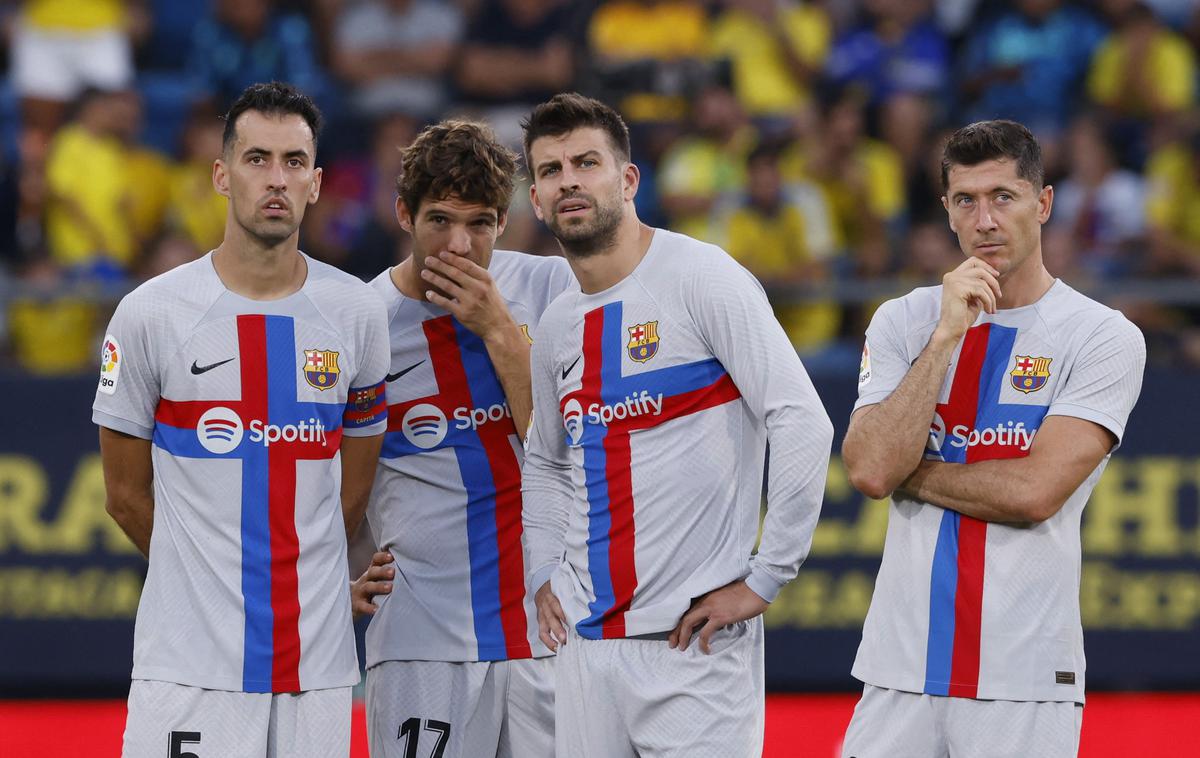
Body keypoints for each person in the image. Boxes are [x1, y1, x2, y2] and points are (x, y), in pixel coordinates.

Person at [518, 92, 834, 756]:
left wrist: (767, 577)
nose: (568, 180)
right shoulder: (556, 328)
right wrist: (542, 566)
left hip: (694, 649)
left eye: (586, 162)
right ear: (538, 201)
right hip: (585, 651)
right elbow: (545, 461)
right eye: (550, 171)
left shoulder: (703, 278)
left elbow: (802, 419)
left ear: (628, 179)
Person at [92, 81, 390, 758]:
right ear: (222, 176)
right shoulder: (151, 314)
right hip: (188, 662)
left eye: (293, 162)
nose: (275, 179)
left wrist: (300, 581)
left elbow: (354, 488)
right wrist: (210, 583)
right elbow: (124, 495)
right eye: (257, 159)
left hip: (316, 667)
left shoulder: (356, 314)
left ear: (316, 183)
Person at [840, 120, 1146, 757]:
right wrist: (947, 337)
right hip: (898, 671)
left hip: (1025, 678)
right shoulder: (905, 320)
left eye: (1003, 196)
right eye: (965, 200)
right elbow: (869, 470)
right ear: (946, 212)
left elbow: (1035, 491)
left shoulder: (1100, 336)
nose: (984, 220)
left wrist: (911, 471)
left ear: (1044, 203)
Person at [349, 119, 574, 757]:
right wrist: (334, 577)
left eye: (480, 223)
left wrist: (500, 330)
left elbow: (565, 452)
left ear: (504, 220)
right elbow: (316, 475)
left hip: (547, 629)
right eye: (440, 220)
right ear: (402, 213)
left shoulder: (552, 291)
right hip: (422, 638)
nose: (460, 244)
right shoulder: (359, 326)